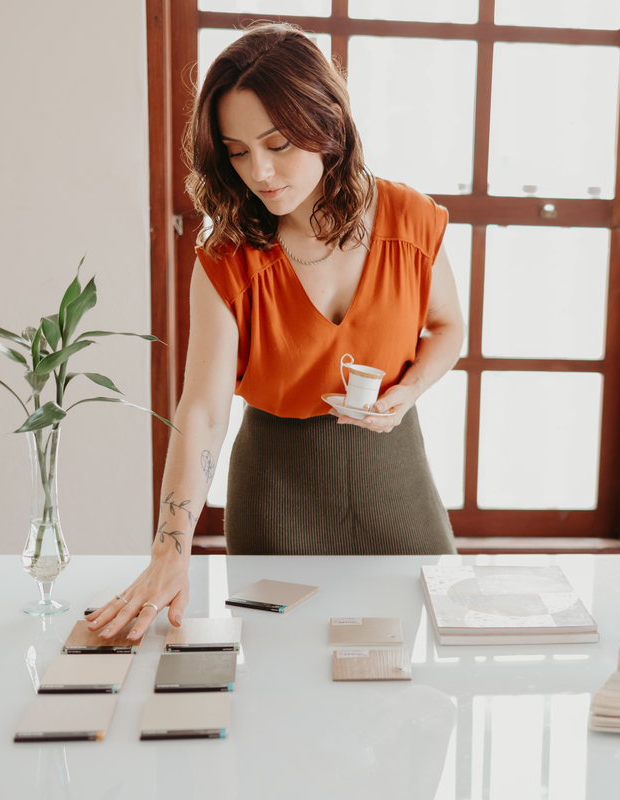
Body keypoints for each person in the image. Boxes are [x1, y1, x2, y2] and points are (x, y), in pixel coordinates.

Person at [86, 23, 464, 643]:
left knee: (419, 669)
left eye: (278, 143)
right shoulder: (227, 259)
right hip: (276, 491)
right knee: (283, 676)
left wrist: (408, 392)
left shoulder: (409, 218)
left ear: (327, 123)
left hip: (395, 478)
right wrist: (170, 550)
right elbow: (204, 410)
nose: (258, 171)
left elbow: (448, 328)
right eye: (236, 151)